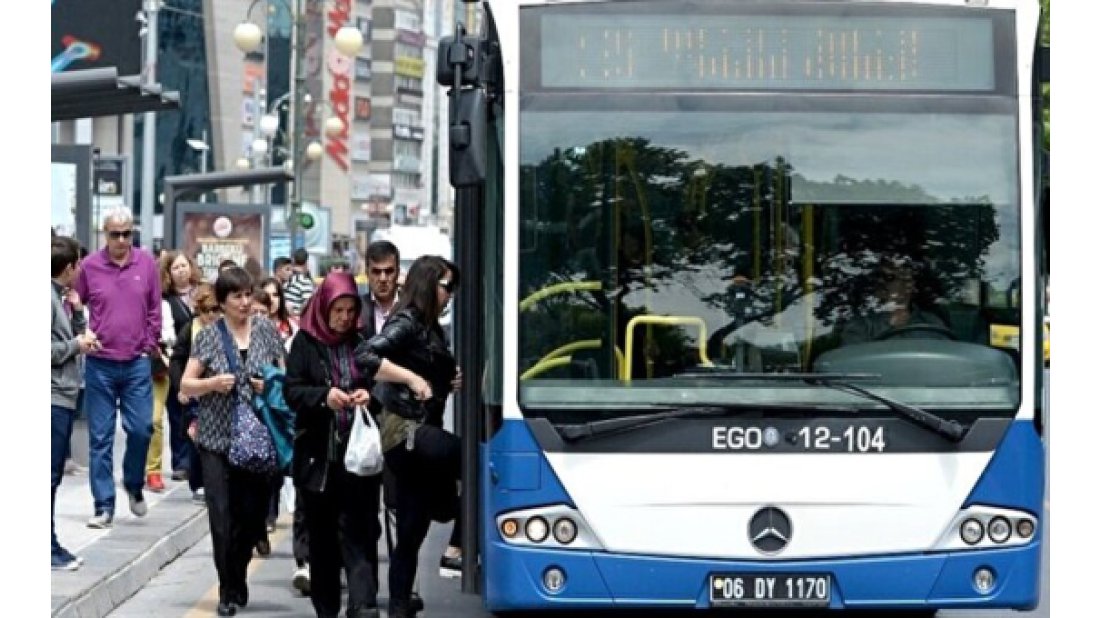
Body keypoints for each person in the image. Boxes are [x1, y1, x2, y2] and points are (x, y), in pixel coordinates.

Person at [353, 255, 463, 618]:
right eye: (447, 287)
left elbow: (432, 374)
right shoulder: (408, 321)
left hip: (421, 432)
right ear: (430, 284)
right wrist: (409, 379)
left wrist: (449, 380)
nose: (450, 295)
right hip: (404, 431)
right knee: (473, 458)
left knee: (412, 533)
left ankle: (399, 608)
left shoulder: (433, 328)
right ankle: (458, 546)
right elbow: (365, 355)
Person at [180, 267, 286, 616]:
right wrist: (212, 384)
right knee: (221, 517)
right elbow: (186, 385)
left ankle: (238, 570)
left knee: (253, 516)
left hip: (256, 440)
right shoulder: (209, 337)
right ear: (222, 303)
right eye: (236, 297)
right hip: (216, 439)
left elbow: (285, 377)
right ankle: (228, 587)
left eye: (247, 295)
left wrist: (268, 385)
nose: (244, 302)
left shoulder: (267, 331)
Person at [285, 273, 383, 618]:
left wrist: (368, 396)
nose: (343, 317)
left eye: (349, 309)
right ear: (323, 308)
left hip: (359, 462)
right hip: (319, 463)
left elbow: (381, 382)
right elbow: (292, 391)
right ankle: (327, 609)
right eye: (337, 309)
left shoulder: (363, 341)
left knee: (361, 534)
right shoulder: (305, 344)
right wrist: (324, 397)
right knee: (324, 543)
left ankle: (362, 605)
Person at [74, 206, 161, 528]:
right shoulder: (90, 266)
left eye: (127, 233)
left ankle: (134, 483)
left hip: (136, 363)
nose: (122, 240)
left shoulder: (147, 263)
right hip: (100, 365)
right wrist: (82, 331)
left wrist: (149, 344)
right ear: (105, 234)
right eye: (115, 234)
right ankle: (104, 505)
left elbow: (154, 307)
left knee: (141, 430)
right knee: (100, 438)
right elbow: (74, 303)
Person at [52, 236, 99, 570]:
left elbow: (68, 337)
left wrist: (80, 314)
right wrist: (76, 346)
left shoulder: (60, 298)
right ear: (69, 268)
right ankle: (47, 547)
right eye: (78, 264)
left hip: (63, 395)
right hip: (52, 395)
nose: (80, 270)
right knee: (48, 476)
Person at [174, 283, 221, 503]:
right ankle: (198, 483)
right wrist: (181, 387)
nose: (210, 315)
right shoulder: (190, 329)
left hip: (218, 396)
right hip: (195, 395)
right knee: (195, 437)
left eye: (214, 309)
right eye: (205, 310)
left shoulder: (226, 329)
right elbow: (177, 360)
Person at [159, 251, 202, 485]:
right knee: (177, 414)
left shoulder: (202, 293)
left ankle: (196, 460)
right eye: (175, 267)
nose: (181, 271)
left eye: (184, 265)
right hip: (177, 360)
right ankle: (180, 462)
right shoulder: (165, 299)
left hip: (202, 362)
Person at [839, 256, 950, 345]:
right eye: (879, 276)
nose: (880, 281)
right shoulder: (860, 324)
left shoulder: (931, 322)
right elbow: (851, 363)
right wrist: (889, 325)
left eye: (889, 277)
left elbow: (948, 360)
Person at [284, 247, 316, 317]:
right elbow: (308, 305)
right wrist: (295, 314)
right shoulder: (305, 281)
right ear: (306, 262)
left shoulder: (287, 279)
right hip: (295, 322)